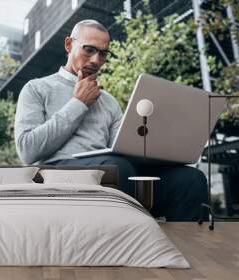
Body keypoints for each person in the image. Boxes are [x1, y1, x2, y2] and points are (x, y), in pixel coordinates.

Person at [14, 19, 207, 221]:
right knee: (117, 167)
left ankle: (178, 249)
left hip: (113, 169)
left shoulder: (109, 102)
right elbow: (28, 150)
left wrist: (158, 148)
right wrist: (78, 103)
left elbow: (123, 149)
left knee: (190, 178)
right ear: (69, 45)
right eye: (89, 50)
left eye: (103, 53)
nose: (96, 60)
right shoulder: (36, 88)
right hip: (60, 172)